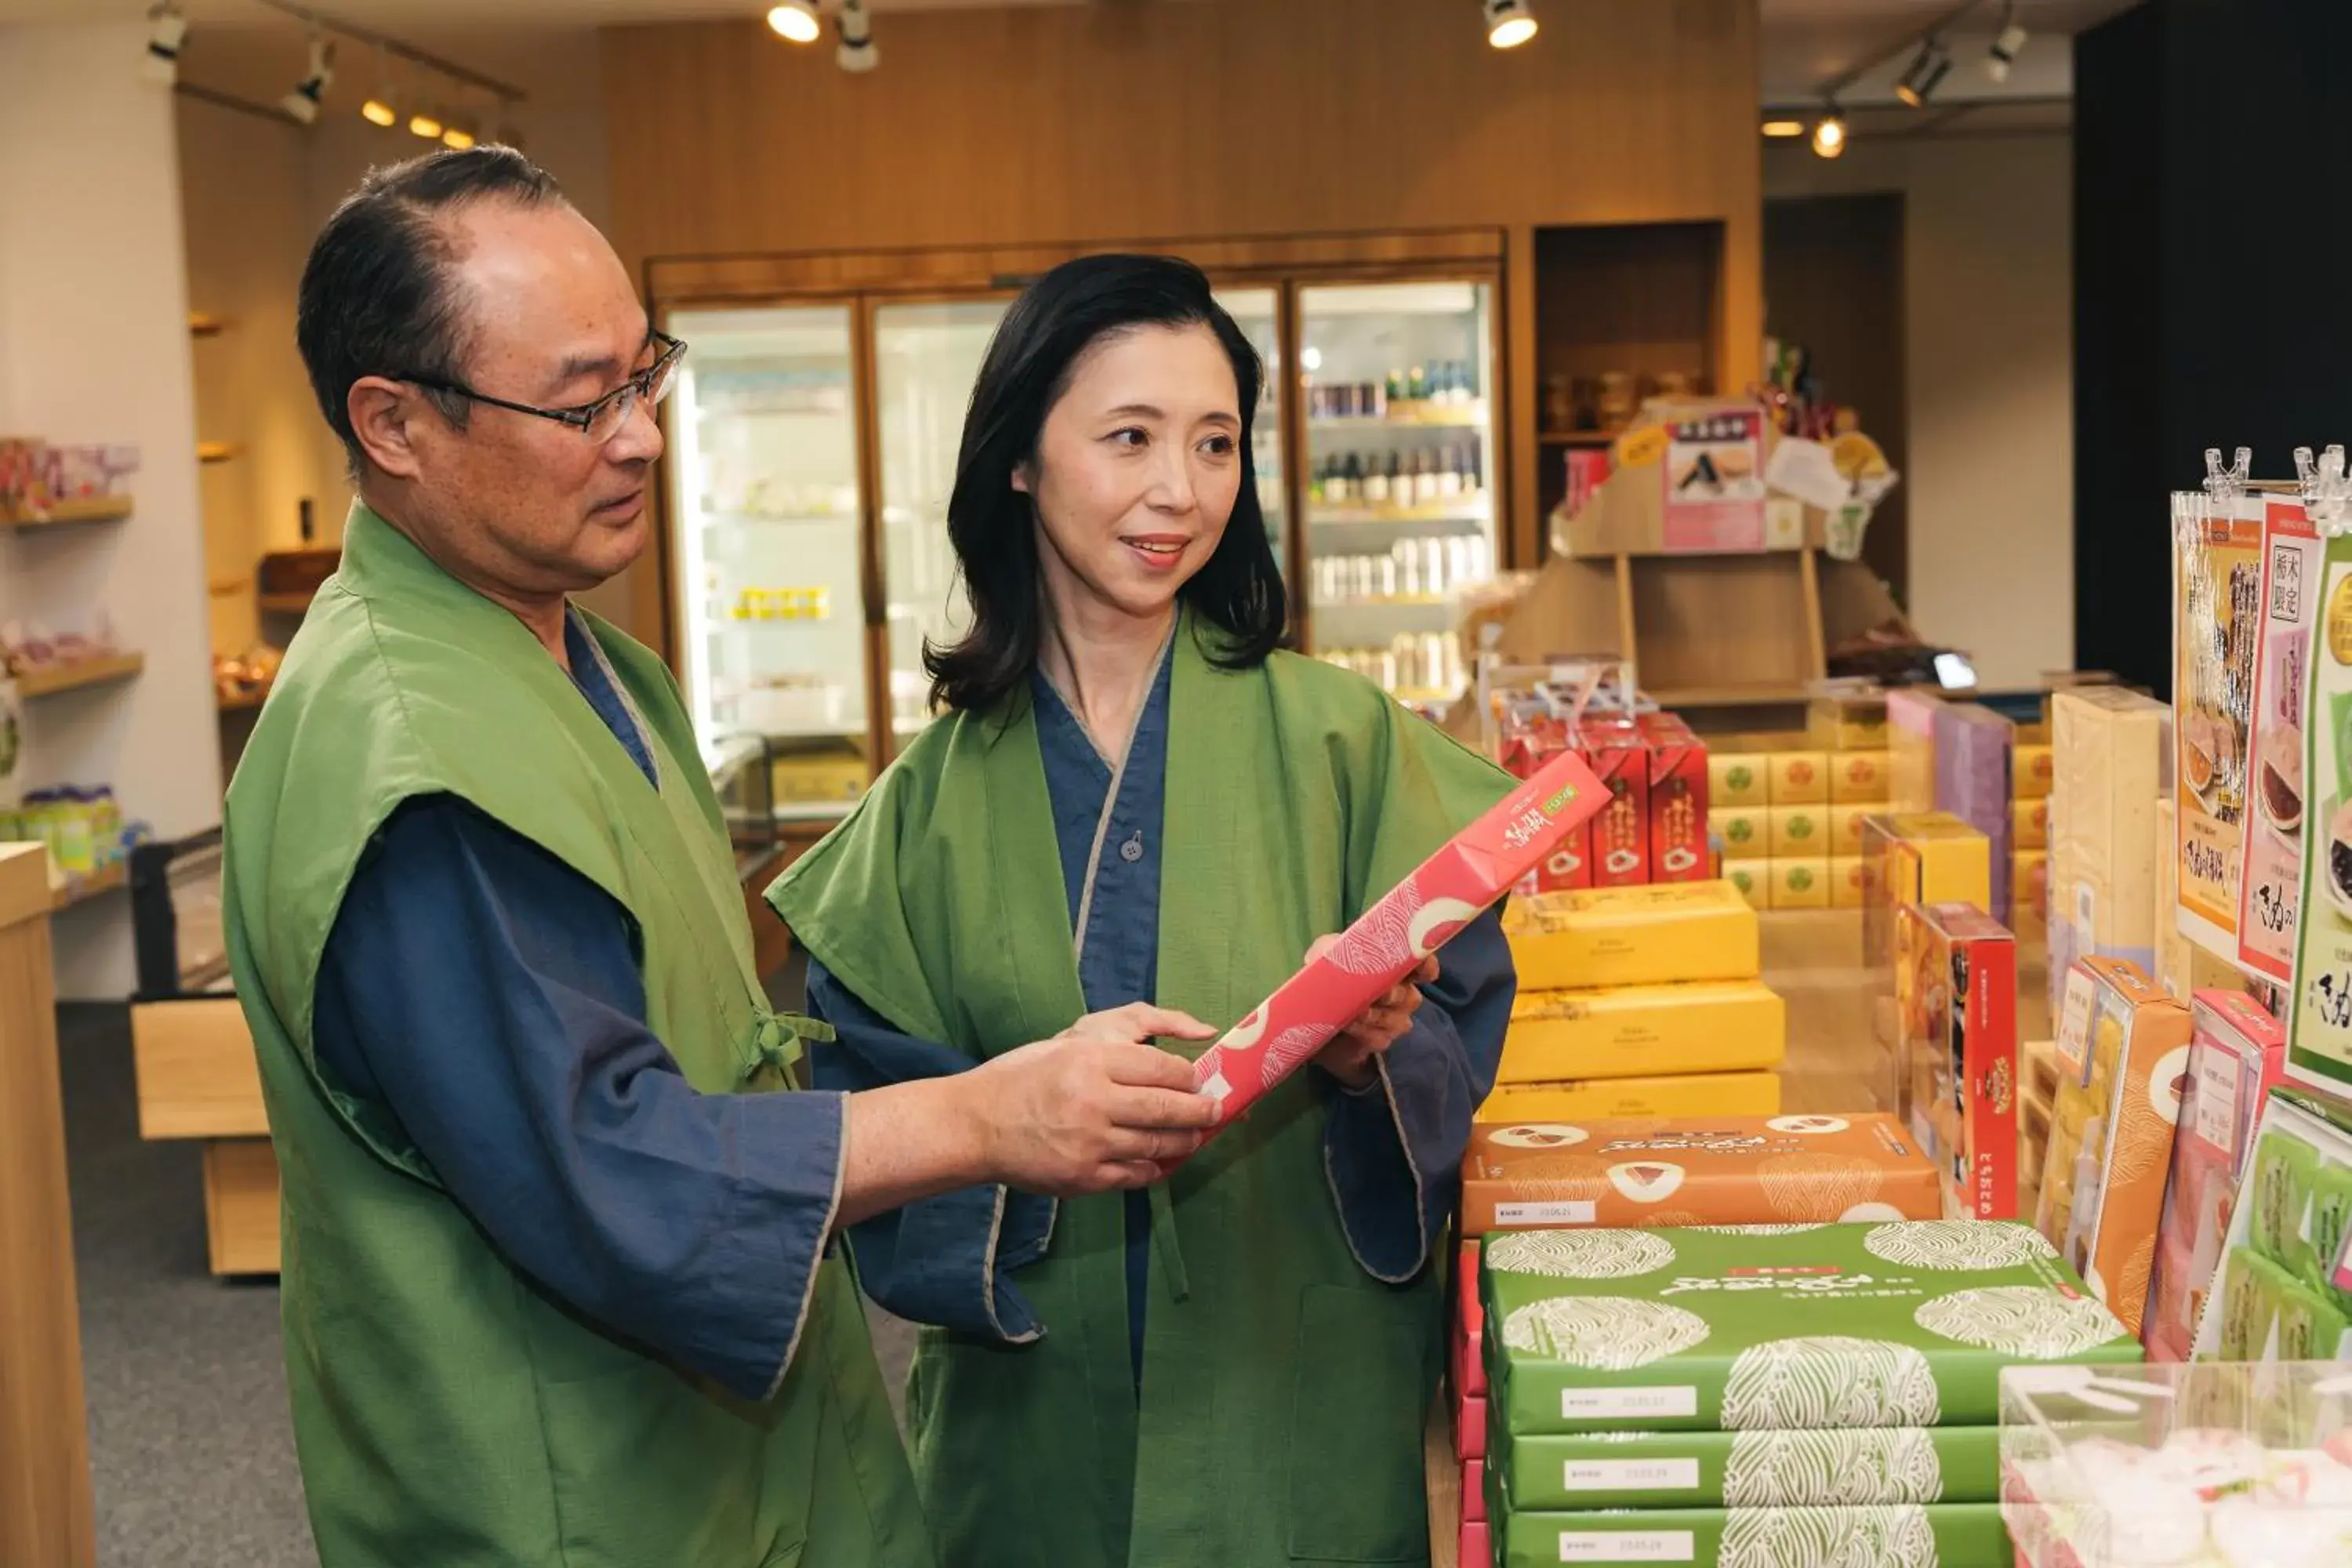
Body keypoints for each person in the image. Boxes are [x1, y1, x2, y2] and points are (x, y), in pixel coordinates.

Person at [220, 148, 1225, 1568]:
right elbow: (617, 1166)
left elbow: (717, 1031)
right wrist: (984, 1119)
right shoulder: (413, 768)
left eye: (648, 377)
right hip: (575, 1493)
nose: (640, 438)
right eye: (582, 402)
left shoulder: (597, 662)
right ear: (393, 424)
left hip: (724, 1444)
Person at [766, 254, 1519, 1568]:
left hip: (1298, 1412)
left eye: (1217, 442)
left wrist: (1381, 1049)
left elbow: (1463, 1037)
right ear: (1018, 458)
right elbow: (870, 1136)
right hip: (1033, 1442)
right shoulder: (917, 816)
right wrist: (1004, 1130)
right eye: (1130, 437)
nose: (1182, 489)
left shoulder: (1344, 744)